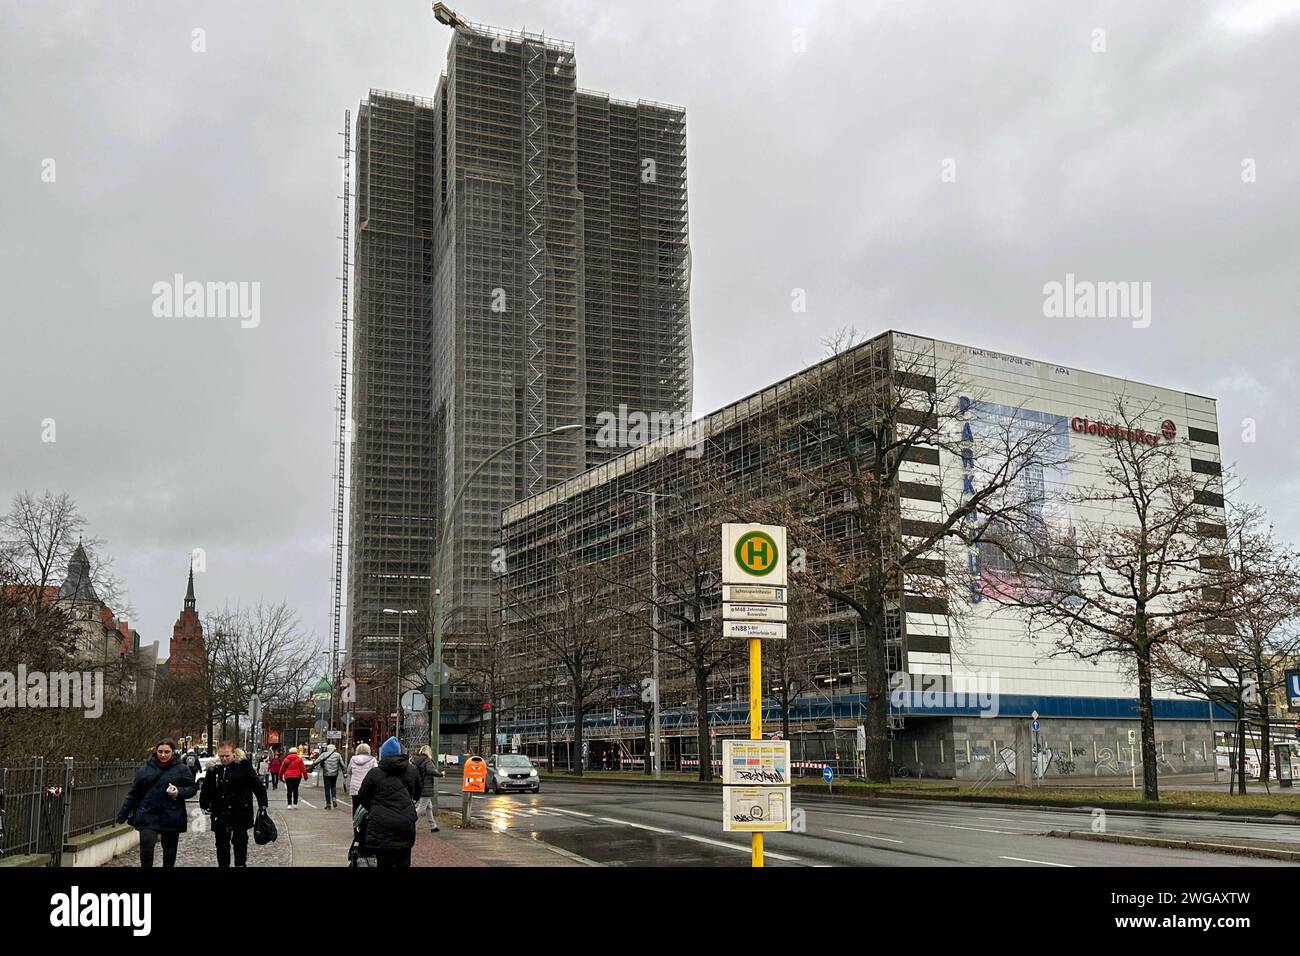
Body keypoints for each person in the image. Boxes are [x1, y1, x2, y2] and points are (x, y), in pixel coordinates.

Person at [116, 738, 197, 868]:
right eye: (160, 751)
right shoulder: (145, 769)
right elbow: (134, 793)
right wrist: (122, 815)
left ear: (172, 752)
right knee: (146, 846)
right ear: (156, 751)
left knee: (169, 851)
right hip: (148, 813)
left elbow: (192, 788)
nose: (163, 755)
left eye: (166, 752)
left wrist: (178, 792)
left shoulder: (182, 769)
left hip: (171, 814)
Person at [199, 741, 269, 867]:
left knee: (240, 842)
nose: (224, 759)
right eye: (221, 756)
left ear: (233, 754)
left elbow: (257, 785)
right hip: (220, 811)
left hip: (240, 810)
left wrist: (262, 804)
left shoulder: (243, 766)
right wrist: (204, 804)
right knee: (221, 844)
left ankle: (240, 864)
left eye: (227, 756)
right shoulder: (214, 768)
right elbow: (206, 787)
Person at [356, 736, 420, 868]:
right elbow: (418, 793)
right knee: (404, 857)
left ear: (383, 754)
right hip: (405, 822)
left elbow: (362, 796)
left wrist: (374, 807)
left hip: (380, 823)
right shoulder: (412, 771)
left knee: (383, 861)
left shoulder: (374, 773)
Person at [412, 745, 442, 834]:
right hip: (426, 787)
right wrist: (441, 774)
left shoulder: (417, 760)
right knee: (421, 808)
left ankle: (433, 826)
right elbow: (430, 771)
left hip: (420, 786)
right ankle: (408, 821)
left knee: (429, 807)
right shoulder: (427, 760)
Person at [313, 743, 346, 809]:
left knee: (327, 788)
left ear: (327, 749)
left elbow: (317, 761)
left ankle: (328, 803)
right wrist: (345, 773)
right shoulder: (338, 755)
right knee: (333, 786)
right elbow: (342, 765)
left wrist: (312, 766)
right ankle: (334, 798)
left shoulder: (324, 754)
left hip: (326, 773)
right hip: (335, 773)